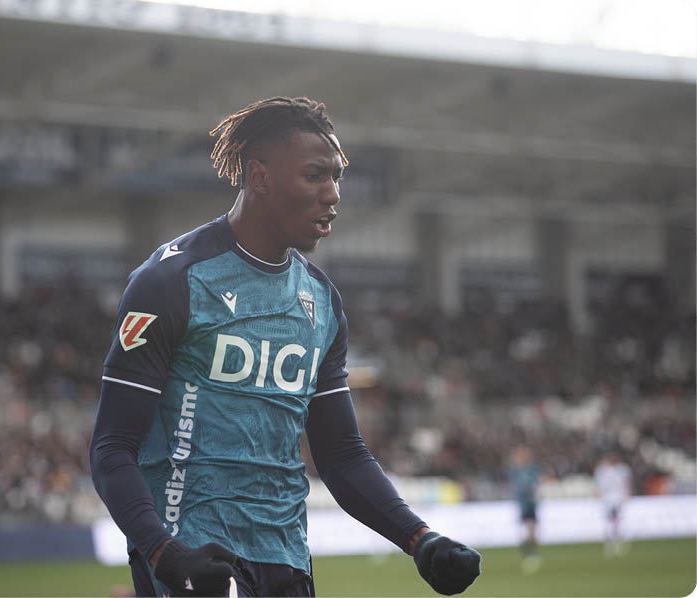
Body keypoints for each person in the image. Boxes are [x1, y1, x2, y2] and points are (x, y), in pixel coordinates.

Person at [90, 96, 480, 597]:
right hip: (197, 561)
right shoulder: (170, 282)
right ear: (260, 178)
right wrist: (163, 552)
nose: (333, 194)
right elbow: (111, 448)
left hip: (287, 560)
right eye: (316, 175)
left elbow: (341, 454)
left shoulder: (321, 301)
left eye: (337, 177)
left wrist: (419, 538)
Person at [508, 444, 542, 574]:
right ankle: (528, 554)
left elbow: (536, 483)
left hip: (531, 504)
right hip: (521, 504)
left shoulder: (532, 470)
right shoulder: (515, 471)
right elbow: (515, 487)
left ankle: (532, 554)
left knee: (531, 530)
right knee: (523, 530)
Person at [594, 452, 632, 557]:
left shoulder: (622, 469)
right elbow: (599, 484)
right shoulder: (603, 470)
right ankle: (611, 542)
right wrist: (598, 494)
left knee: (617, 520)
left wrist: (627, 494)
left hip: (617, 498)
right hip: (607, 499)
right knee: (609, 521)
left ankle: (618, 541)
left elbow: (626, 483)